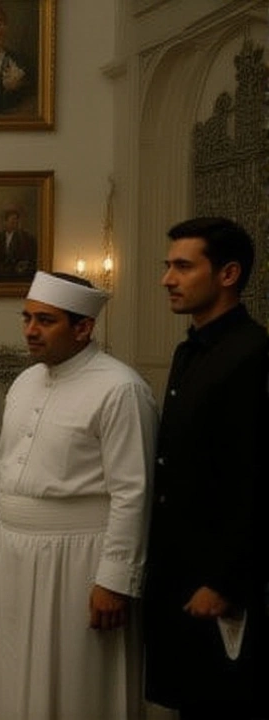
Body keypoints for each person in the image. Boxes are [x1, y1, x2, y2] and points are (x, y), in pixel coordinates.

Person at [0, 271, 157, 719]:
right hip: (15, 553)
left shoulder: (121, 388)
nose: (30, 331)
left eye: (45, 320)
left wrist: (114, 579)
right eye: (27, 318)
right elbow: (4, 471)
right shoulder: (24, 383)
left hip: (80, 559)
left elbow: (132, 492)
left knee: (77, 679)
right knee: (13, 667)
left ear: (83, 327)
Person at [144, 217, 269, 717]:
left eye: (182, 266)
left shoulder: (254, 353)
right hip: (180, 570)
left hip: (219, 581)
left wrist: (224, 581)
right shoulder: (190, 349)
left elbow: (255, 478)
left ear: (228, 274)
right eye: (167, 266)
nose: (167, 279)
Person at [0, 209, 37, 277]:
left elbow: (27, 257)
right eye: (12, 220)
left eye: (16, 220)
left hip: (16, 273)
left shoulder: (23, 237)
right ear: (5, 222)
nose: (15, 222)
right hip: (0, 273)